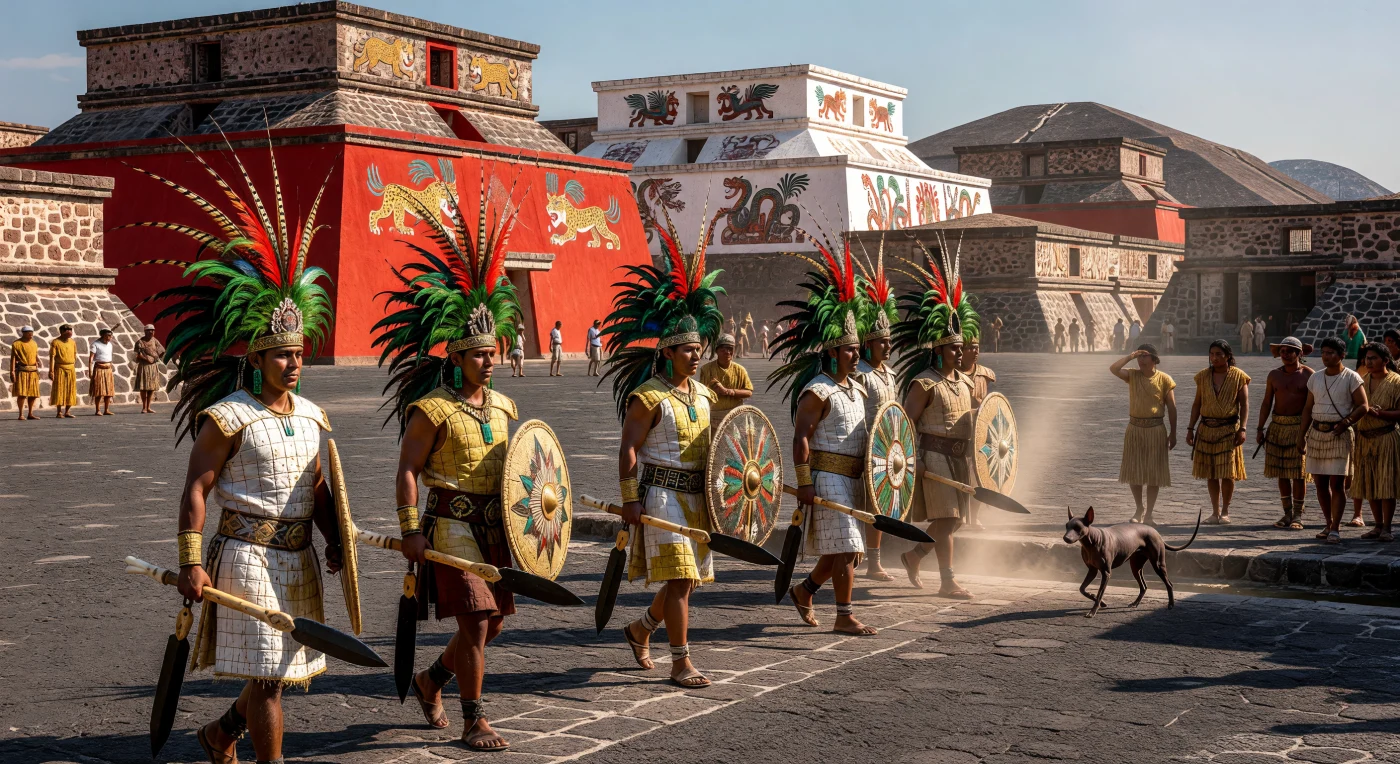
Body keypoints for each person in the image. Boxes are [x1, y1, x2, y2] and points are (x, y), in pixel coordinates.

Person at [134, 147, 345, 764]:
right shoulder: (227, 417)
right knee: (272, 678)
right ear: (256, 357)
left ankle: (221, 734)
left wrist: (335, 540)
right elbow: (197, 487)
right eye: (280, 354)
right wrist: (191, 563)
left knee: (275, 674)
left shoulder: (313, 416)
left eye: (299, 352)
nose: (293, 362)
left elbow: (321, 488)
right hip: (246, 554)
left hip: (299, 554)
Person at [375, 186, 529, 751]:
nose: (487, 361)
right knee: (474, 623)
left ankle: (431, 679)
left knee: (493, 623)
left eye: (492, 352)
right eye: (477, 354)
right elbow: (407, 470)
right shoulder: (432, 409)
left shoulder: (508, 407)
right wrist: (409, 529)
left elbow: (522, 468)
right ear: (456, 356)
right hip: (451, 525)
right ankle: (474, 717)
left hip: (496, 525)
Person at [605, 215, 725, 689]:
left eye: (698, 348)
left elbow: (720, 449)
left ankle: (640, 629)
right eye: (686, 350)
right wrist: (630, 500)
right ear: (668, 353)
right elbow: (628, 449)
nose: (695, 356)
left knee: (688, 580)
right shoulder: (648, 397)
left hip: (697, 497)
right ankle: (681, 661)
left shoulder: (706, 395)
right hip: (660, 496)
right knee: (678, 581)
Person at [775, 233, 877, 634]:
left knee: (841, 549)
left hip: (853, 476)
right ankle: (845, 615)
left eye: (857, 349)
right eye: (849, 350)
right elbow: (801, 437)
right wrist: (804, 484)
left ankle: (806, 590)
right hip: (827, 477)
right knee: (849, 546)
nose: (856, 355)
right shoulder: (817, 390)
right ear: (832, 352)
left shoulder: (856, 387)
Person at [895, 244, 978, 599]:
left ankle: (913, 557)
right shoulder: (924, 383)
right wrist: (916, 462)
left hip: (960, 458)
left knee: (955, 519)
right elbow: (903, 423)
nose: (959, 353)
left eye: (961, 348)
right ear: (938, 350)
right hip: (935, 458)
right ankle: (947, 580)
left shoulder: (968, 382)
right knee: (946, 520)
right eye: (953, 348)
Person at [1298, 337, 1368, 545]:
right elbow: (1308, 409)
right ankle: (1328, 523)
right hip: (1317, 433)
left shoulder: (1352, 378)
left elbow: (1363, 405)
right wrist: (1301, 436)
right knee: (1320, 483)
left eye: (1331, 353)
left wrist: (1347, 422)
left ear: (1341, 355)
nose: (1326, 356)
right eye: (1324, 352)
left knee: (1337, 483)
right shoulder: (1316, 378)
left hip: (1339, 433)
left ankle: (1336, 528)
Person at [856, 267, 899, 580]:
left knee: (879, 507)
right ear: (867, 345)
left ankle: (873, 561)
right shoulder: (860, 373)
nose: (887, 347)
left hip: (886, 449)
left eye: (889, 341)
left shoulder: (890, 374)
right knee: (863, 506)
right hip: (862, 446)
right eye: (881, 342)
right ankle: (859, 557)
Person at [1111, 345, 1177, 525]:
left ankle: (1149, 513)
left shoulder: (1164, 379)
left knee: (1153, 473)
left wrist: (1173, 433)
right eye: (1138, 356)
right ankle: (1138, 508)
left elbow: (1172, 407)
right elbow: (1113, 369)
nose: (1140, 360)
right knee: (1135, 471)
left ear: (1154, 359)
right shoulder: (1133, 375)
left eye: (1144, 356)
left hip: (1156, 429)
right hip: (1135, 429)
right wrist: (1130, 356)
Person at [1188, 340, 1250, 524]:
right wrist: (1190, 428)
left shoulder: (1239, 377)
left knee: (1228, 473)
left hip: (1229, 430)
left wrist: (1243, 428)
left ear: (1228, 356)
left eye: (1218, 354)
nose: (1214, 358)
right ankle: (1214, 512)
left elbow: (1245, 404)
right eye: (1211, 354)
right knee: (1212, 473)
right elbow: (1197, 404)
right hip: (1206, 430)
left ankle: (1225, 511)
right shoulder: (1203, 376)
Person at [1258, 337, 1314, 530]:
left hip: (1299, 428)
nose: (1286, 355)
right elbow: (1267, 403)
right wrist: (1260, 428)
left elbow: (1311, 406)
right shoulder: (1273, 375)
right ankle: (1287, 513)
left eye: (1290, 351)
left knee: (1298, 473)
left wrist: (1306, 433)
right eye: (1282, 351)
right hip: (1277, 428)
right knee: (1281, 473)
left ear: (1300, 353)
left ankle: (1298, 514)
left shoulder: (1309, 375)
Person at [1353, 342, 1400, 541]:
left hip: (1386, 437)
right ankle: (1377, 525)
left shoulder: (1397, 382)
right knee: (1369, 483)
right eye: (1366, 358)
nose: (1368, 362)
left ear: (1385, 360)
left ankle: (1387, 527)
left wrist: (1379, 413)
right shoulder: (1362, 381)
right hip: (1365, 439)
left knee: (1386, 483)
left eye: (1373, 358)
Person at [959, 335, 996, 530]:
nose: (975, 351)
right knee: (962, 477)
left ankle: (975, 515)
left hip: (979, 432)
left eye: (976, 347)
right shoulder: (952, 375)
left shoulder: (984, 374)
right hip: (959, 431)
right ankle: (963, 515)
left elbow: (989, 405)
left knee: (980, 476)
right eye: (970, 348)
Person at [698, 333, 752, 430]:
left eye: (730, 349)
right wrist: (713, 391)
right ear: (716, 351)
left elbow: (748, 392)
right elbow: (701, 394)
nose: (727, 352)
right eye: (723, 349)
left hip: (734, 416)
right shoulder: (706, 369)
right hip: (713, 417)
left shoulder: (740, 370)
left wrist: (728, 391)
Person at [9, 325, 40, 420]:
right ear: (24, 333)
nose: (31, 334)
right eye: (28, 332)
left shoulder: (34, 343)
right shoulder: (17, 344)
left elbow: (35, 355)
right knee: (22, 394)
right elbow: (13, 359)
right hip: (22, 371)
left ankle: (30, 413)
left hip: (33, 371)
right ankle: (21, 414)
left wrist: (38, 363)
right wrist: (12, 372)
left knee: (33, 394)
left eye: (32, 332)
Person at [133, 324, 164, 414]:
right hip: (144, 366)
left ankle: (149, 407)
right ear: (145, 331)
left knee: (151, 387)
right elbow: (137, 355)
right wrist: (146, 358)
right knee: (144, 387)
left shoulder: (155, 341)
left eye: (153, 330)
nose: (151, 332)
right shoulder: (140, 342)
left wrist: (155, 358)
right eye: (149, 330)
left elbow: (161, 351)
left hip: (153, 367)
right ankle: (144, 407)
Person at [48, 324, 77, 419]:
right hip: (59, 368)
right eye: (67, 330)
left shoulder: (72, 342)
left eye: (70, 330)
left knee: (70, 390)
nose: (69, 332)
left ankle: (67, 411)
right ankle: (59, 412)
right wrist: (51, 371)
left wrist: (72, 365)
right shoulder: (55, 342)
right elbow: (52, 357)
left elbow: (74, 355)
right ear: (61, 332)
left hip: (71, 368)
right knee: (59, 389)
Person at [88, 327, 116, 416]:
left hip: (108, 369)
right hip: (99, 369)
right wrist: (90, 371)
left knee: (109, 391)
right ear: (103, 335)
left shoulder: (110, 345)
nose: (110, 337)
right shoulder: (95, 344)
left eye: (111, 336)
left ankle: (106, 409)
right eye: (108, 335)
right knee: (99, 391)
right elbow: (91, 359)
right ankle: (97, 409)